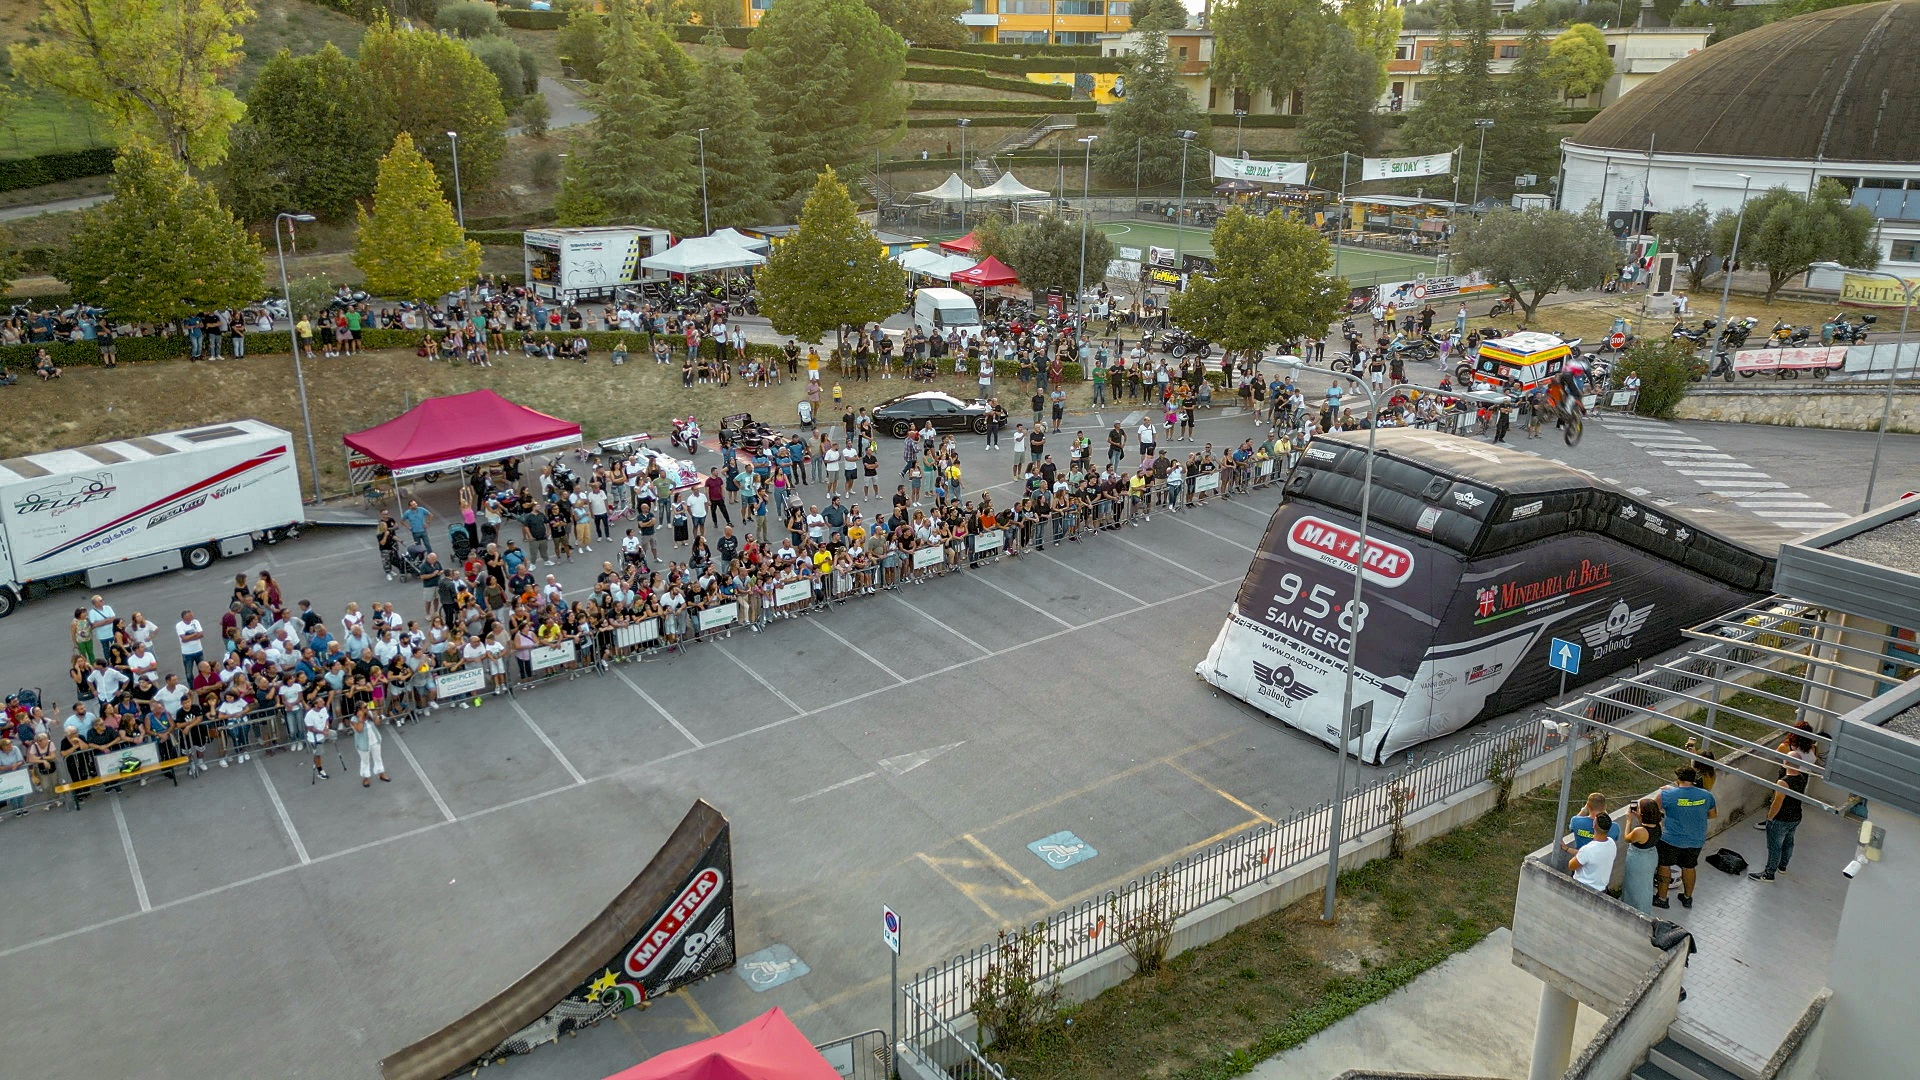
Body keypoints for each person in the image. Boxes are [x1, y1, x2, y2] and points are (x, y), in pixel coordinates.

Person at [1750, 732, 1816, 882]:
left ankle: (1769, 873)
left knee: (1774, 847)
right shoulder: (1801, 778)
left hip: (1781, 819)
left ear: (1786, 762)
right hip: (1795, 816)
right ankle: (1782, 867)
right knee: (1789, 842)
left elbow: (1777, 803)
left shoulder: (1783, 782)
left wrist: (1769, 818)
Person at [1654, 766, 1715, 909]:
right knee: (1689, 867)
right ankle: (1687, 898)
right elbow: (1713, 814)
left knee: (1664, 865)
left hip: (1670, 839)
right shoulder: (1707, 795)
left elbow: (1654, 811)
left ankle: (1662, 898)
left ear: (1678, 779)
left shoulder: (1667, 795)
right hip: (1695, 839)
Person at [1621, 798, 1661, 914]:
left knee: (1634, 885)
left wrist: (1628, 821)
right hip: (1651, 856)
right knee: (1645, 884)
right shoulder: (1658, 823)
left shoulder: (1640, 831)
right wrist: (1639, 818)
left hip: (1639, 861)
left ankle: (1636, 909)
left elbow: (1627, 838)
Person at [1568, 812, 1618, 893]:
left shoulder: (1588, 849)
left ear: (1594, 825)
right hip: (1602, 890)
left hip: (1582, 889)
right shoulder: (1612, 843)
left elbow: (1571, 865)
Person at [348, 703, 390, 787]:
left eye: (366, 706)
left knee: (378, 758)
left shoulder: (369, 714)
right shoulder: (354, 719)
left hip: (374, 739)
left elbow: (377, 723)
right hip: (363, 743)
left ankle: (381, 773)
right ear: (359, 710)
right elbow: (359, 730)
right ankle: (366, 778)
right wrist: (360, 718)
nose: (367, 708)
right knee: (365, 761)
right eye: (364, 707)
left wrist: (378, 717)